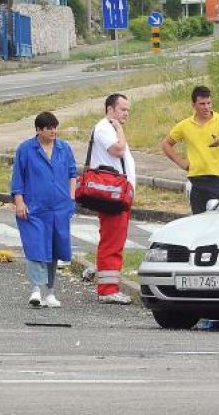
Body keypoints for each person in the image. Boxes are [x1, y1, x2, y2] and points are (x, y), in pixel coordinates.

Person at [11, 112, 77, 309]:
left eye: (55, 127)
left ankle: (50, 291)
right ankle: (36, 290)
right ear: (39, 130)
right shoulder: (26, 149)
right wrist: (19, 201)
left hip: (59, 208)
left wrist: (71, 197)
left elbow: (72, 173)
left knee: (54, 250)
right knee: (36, 248)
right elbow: (18, 178)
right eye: (49, 128)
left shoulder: (64, 148)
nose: (53, 131)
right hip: (34, 209)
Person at [161, 85, 219, 214]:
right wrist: (182, 163)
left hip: (218, 179)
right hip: (196, 180)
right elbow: (166, 144)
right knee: (198, 219)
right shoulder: (185, 125)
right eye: (202, 104)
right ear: (193, 105)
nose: (206, 107)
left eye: (209, 103)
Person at [90, 93, 136, 305]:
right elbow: (118, 150)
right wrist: (119, 129)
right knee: (111, 242)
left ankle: (110, 287)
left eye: (127, 110)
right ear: (110, 109)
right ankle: (107, 289)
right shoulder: (104, 128)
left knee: (116, 241)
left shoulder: (107, 128)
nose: (126, 113)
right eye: (122, 109)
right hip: (112, 194)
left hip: (119, 194)